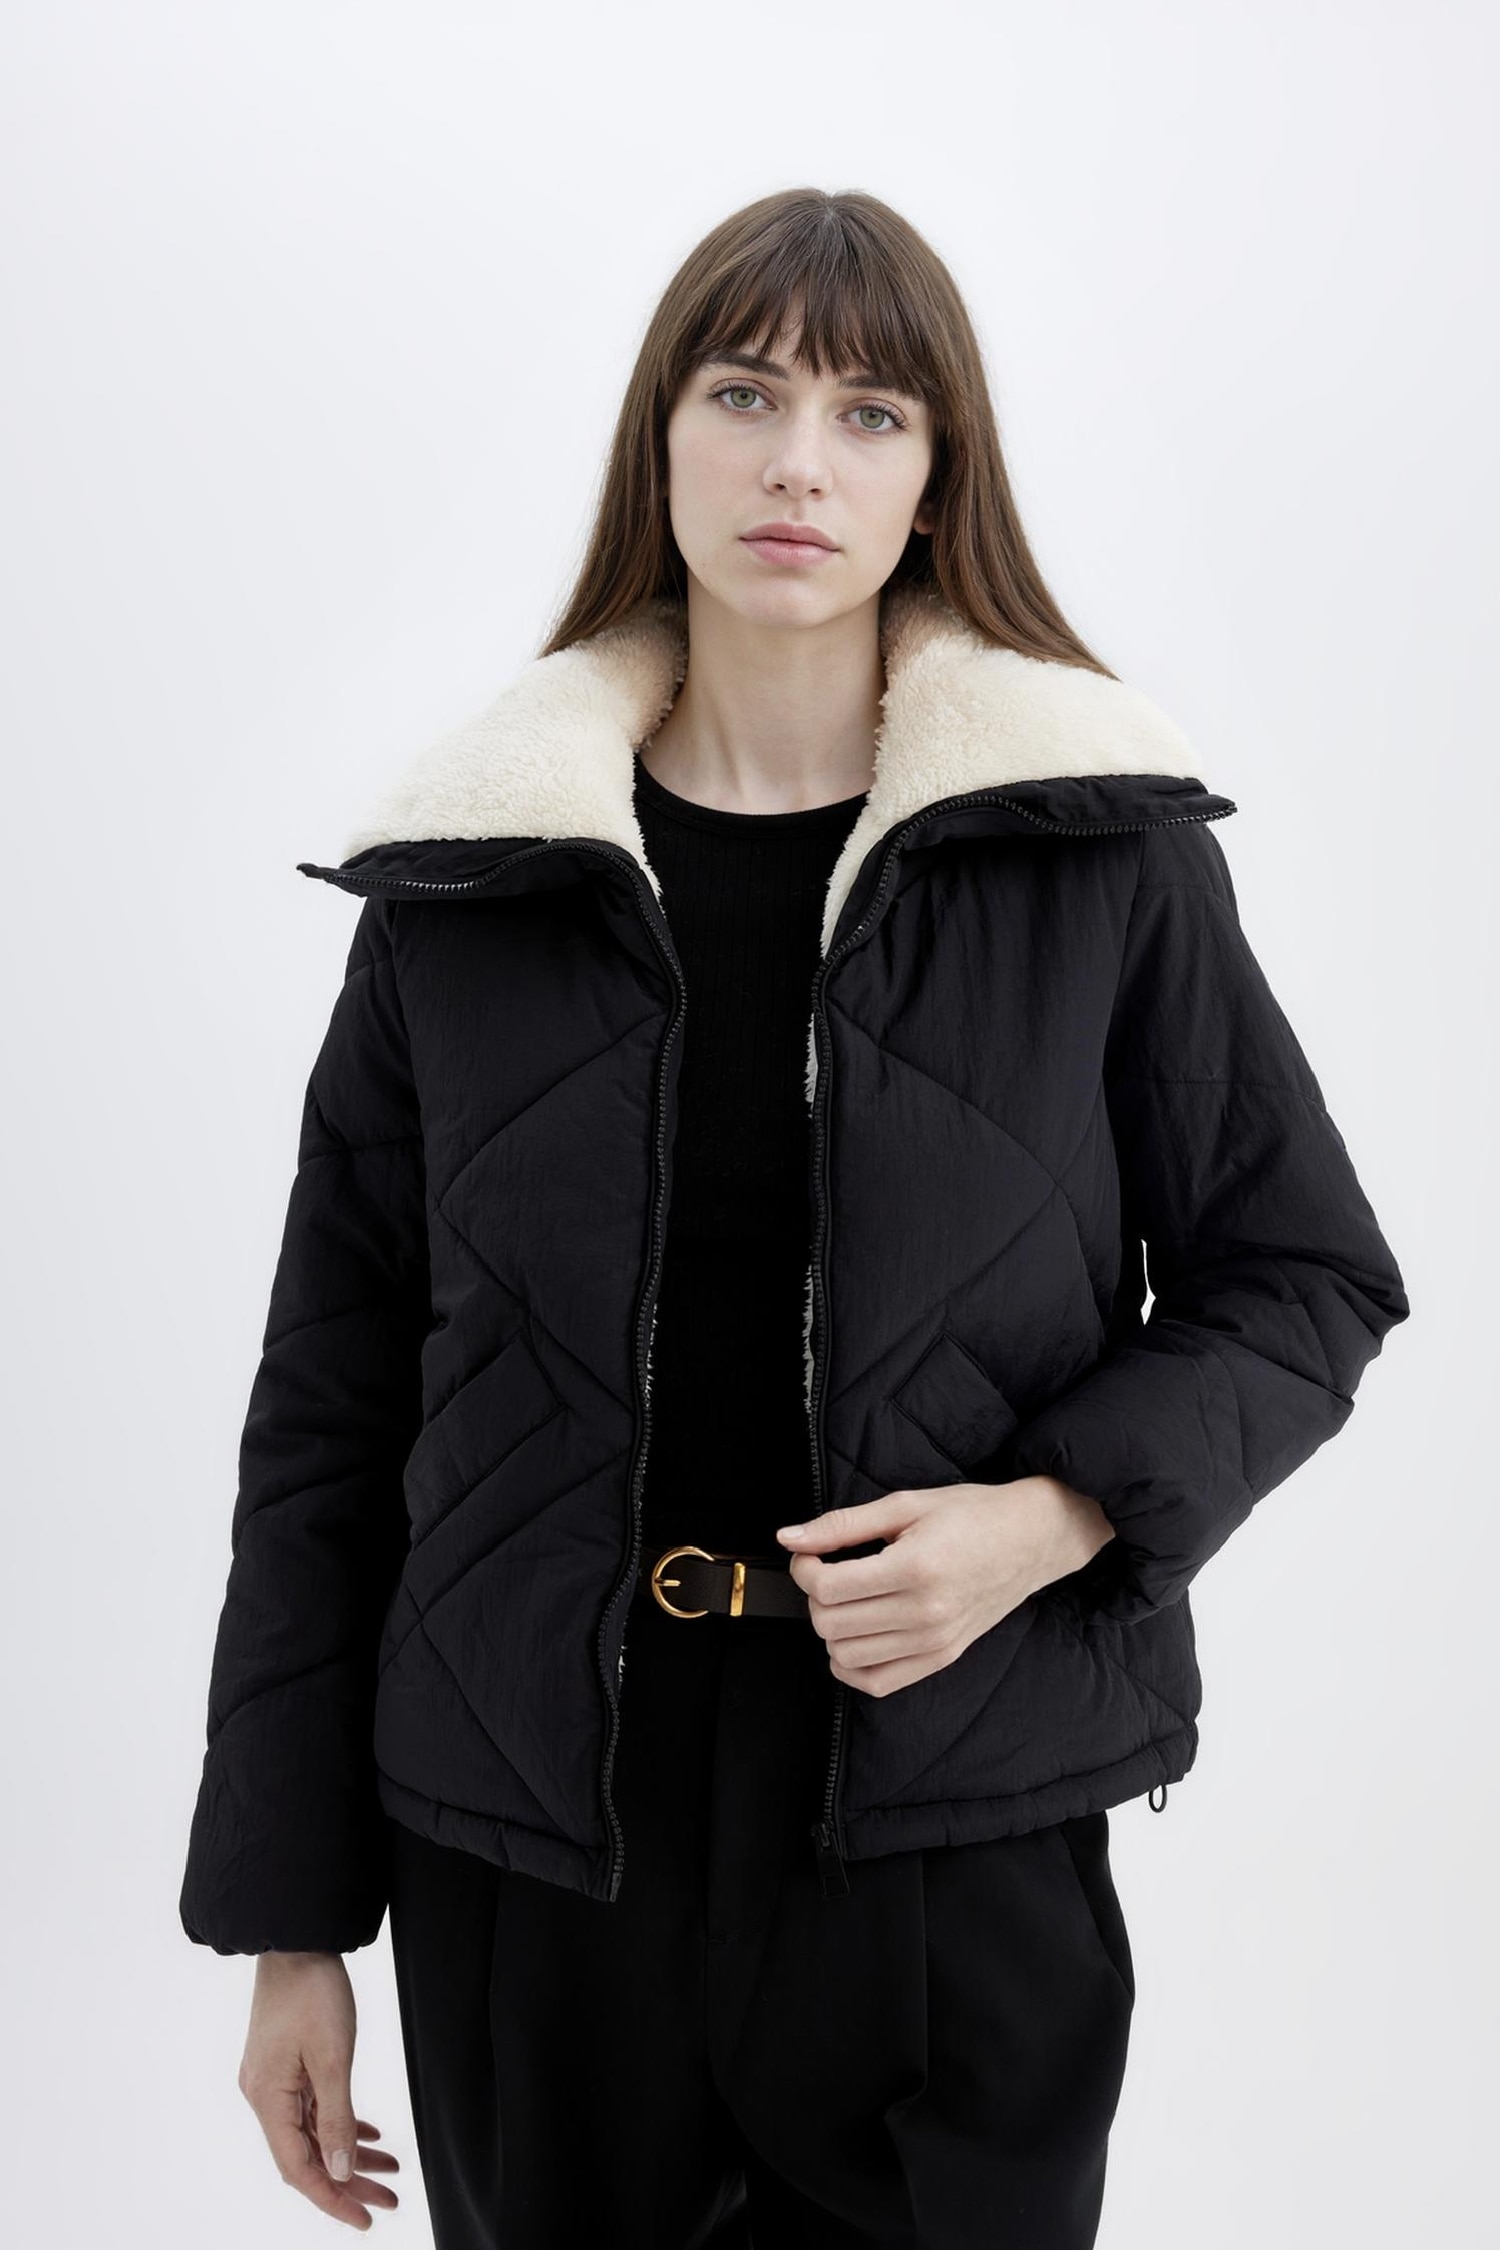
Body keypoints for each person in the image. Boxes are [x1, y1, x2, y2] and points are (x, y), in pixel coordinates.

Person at [178, 187, 1410, 2247]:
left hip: (950, 1826)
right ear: (660, 440)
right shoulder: (473, 882)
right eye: (744, 395)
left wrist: (1051, 1520)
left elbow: (1302, 1278)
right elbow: (329, 1412)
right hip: (535, 1854)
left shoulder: (1096, 858)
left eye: (870, 413)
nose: (798, 464)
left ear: (937, 480)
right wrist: (287, 1924)